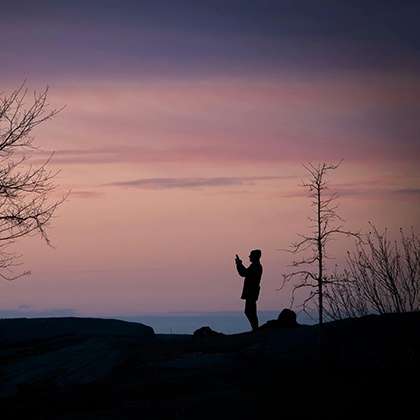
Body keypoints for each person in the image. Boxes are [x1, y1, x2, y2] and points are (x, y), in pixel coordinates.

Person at [235, 249, 263, 331]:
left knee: (250, 311)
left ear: (255, 257)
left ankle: (255, 329)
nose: (249, 256)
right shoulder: (255, 266)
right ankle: (255, 328)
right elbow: (245, 273)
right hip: (251, 292)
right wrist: (239, 264)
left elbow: (244, 273)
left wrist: (239, 264)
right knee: (250, 311)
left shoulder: (256, 266)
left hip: (252, 292)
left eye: (251, 255)